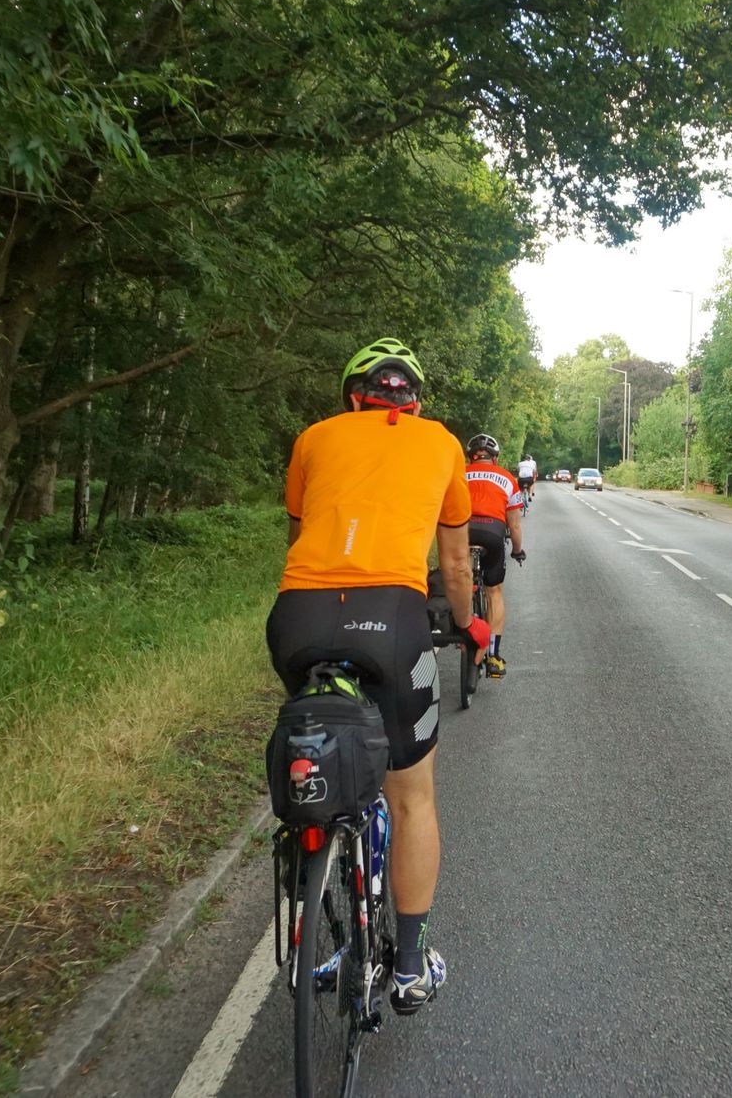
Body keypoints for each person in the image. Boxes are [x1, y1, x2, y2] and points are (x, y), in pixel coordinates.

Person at [265, 337, 490, 1015]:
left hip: (298, 616)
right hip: (391, 618)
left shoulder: (313, 438)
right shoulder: (443, 444)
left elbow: (305, 530)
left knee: (321, 738)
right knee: (411, 792)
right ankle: (411, 964)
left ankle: (318, 900)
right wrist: (470, 625)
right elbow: (454, 567)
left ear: (351, 395)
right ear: (413, 401)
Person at [463, 433, 526, 678]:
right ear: (495, 458)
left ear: (471, 457)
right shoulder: (508, 479)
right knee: (494, 592)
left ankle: (462, 631)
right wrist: (517, 551)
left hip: (463, 532)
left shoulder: (459, 473)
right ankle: (494, 656)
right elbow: (515, 525)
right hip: (493, 532)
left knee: (460, 581)